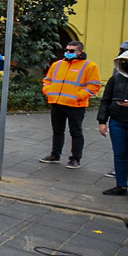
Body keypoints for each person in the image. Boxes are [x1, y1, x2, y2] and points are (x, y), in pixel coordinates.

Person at [39, 40, 102, 169]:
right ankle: (55, 155)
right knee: (57, 131)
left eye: (71, 51)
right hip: (57, 102)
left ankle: (75, 159)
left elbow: (94, 86)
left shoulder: (89, 66)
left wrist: (78, 96)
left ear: (80, 52)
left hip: (76, 105)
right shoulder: (57, 65)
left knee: (76, 132)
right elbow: (47, 80)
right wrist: (48, 91)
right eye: (66, 50)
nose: (68, 53)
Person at [98, 49, 128, 198]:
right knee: (120, 155)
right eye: (124, 62)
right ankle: (121, 186)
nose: (126, 64)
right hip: (117, 122)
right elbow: (105, 100)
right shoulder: (116, 78)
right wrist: (102, 121)